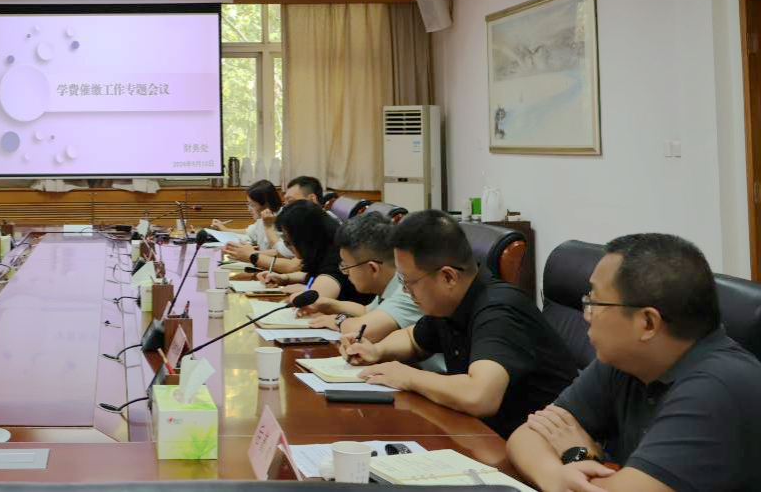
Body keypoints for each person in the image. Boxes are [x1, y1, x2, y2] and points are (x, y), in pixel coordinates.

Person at [508, 233, 761, 492]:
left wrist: (576, 454)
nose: (586, 314)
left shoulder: (716, 388)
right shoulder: (627, 359)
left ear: (648, 323)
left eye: (594, 302)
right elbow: (527, 435)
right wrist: (555, 477)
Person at [344, 210, 576, 438]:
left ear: (448, 277)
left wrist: (407, 376)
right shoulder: (450, 303)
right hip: (483, 434)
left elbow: (480, 397)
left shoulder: (499, 310)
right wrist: (377, 350)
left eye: (410, 282)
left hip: (539, 445)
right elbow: (412, 339)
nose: (405, 291)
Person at [255, 200, 368, 304]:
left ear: (304, 239)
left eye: (288, 242)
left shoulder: (338, 255)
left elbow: (315, 301)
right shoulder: (325, 245)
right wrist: (284, 278)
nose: (288, 246)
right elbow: (313, 275)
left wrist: (306, 290)